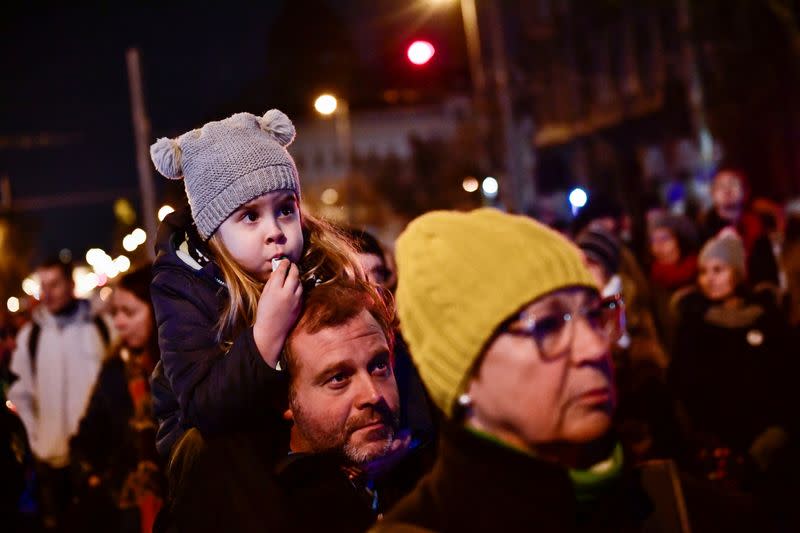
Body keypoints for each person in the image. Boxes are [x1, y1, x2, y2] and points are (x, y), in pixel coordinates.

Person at [375, 208, 760, 532]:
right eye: (547, 325)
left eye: (595, 316)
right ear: (461, 373)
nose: (594, 348)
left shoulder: (687, 509)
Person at [147, 109, 363, 460]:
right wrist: (266, 334)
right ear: (214, 232)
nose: (275, 231)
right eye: (250, 216)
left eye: (285, 209)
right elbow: (205, 408)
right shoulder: (184, 286)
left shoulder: (324, 267)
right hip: (224, 475)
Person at [156, 279, 429, 532]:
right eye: (338, 378)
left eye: (379, 366)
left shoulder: (424, 477)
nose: (372, 395)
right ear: (285, 400)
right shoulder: (259, 511)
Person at [669, 231, 792, 485]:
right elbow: (682, 385)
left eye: (718, 270)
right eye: (704, 272)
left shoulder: (767, 318)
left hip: (770, 446)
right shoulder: (693, 324)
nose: (709, 279)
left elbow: (788, 378)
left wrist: (777, 434)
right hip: (716, 452)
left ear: (736, 273)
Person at [7, 257, 110, 530]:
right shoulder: (31, 335)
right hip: (50, 460)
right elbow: (21, 394)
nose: (47, 293)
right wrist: (36, 439)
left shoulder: (100, 328)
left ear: (71, 284)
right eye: (43, 285)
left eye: (55, 284)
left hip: (95, 459)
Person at [69, 265, 164, 533]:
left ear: (157, 310)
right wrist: (95, 480)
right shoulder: (113, 371)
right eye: (115, 313)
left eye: (129, 312)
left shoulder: (180, 369)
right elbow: (87, 438)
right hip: (126, 511)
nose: (119, 322)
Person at [699, 168, 779, 286]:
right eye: (720, 186)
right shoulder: (704, 231)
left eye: (733, 184)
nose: (727, 190)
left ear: (745, 191)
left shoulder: (761, 225)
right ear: (713, 194)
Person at [647, 213, 699, 342]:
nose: (659, 245)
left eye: (665, 238)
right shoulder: (651, 281)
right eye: (653, 240)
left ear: (680, 240)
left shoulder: (701, 273)